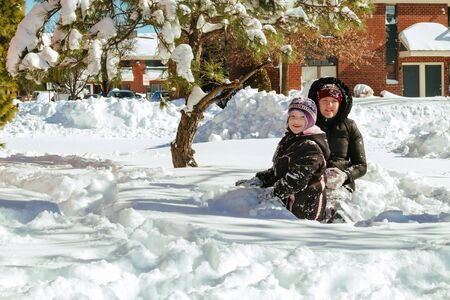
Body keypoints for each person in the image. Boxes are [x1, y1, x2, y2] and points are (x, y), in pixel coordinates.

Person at [236, 97, 330, 221]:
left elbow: (297, 178)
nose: (296, 121)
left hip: (305, 210)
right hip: (290, 203)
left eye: (303, 117)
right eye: (293, 116)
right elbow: (281, 169)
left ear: (311, 120)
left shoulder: (310, 147)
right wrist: (260, 179)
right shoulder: (291, 139)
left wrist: (273, 193)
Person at [307, 77, 367, 222]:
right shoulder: (307, 125)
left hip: (340, 186)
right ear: (317, 102)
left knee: (334, 212)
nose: (329, 105)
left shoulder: (350, 126)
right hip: (312, 182)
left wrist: (345, 176)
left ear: (340, 103)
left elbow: (361, 165)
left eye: (334, 101)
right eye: (324, 101)